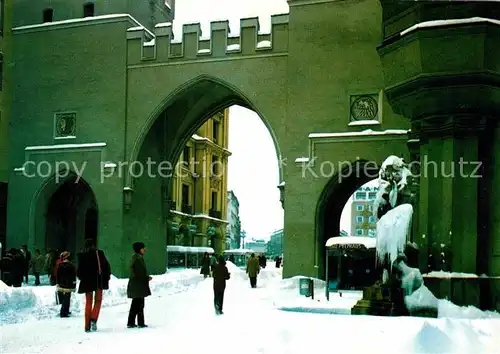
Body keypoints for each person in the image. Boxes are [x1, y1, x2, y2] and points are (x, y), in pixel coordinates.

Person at [77, 239, 111, 333]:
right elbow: (106, 266)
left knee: (88, 302)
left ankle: (87, 326)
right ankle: (93, 319)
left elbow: (79, 271)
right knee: (98, 300)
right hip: (98, 281)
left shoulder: (82, 255)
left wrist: (83, 277)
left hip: (87, 282)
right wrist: (106, 277)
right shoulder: (99, 253)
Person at [127, 242, 152, 328]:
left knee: (135, 304)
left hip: (136, 284)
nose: (144, 249)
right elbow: (139, 272)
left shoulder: (136, 258)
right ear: (139, 249)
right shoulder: (138, 259)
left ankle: (131, 322)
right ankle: (140, 323)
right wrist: (146, 278)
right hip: (138, 285)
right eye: (143, 248)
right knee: (140, 304)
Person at [56, 251, 77, 317]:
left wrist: (58, 283)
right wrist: (74, 285)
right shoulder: (71, 266)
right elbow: (73, 276)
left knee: (65, 298)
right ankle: (63, 312)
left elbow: (58, 275)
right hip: (69, 284)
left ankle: (66, 311)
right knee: (67, 298)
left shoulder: (60, 265)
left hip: (61, 284)